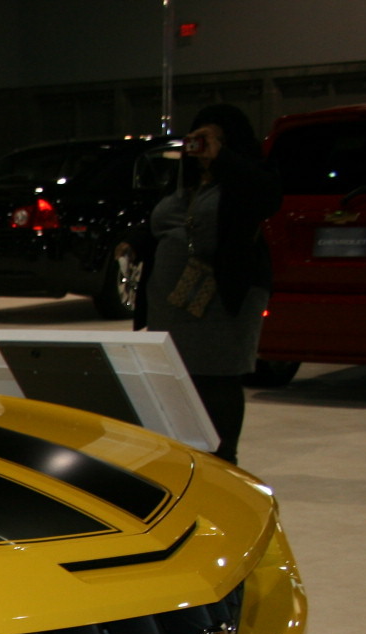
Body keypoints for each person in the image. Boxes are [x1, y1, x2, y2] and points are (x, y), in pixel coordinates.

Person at [138, 104, 280, 464]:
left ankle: (223, 461)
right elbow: (161, 225)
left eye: (210, 139)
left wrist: (225, 158)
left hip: (223, 295)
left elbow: (267, 198)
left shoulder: (245, 178)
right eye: (196, 138)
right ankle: (183, 460)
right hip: (171, 299)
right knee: (176, 383)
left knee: (218, 378)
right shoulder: (184, 182)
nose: (200, 146)